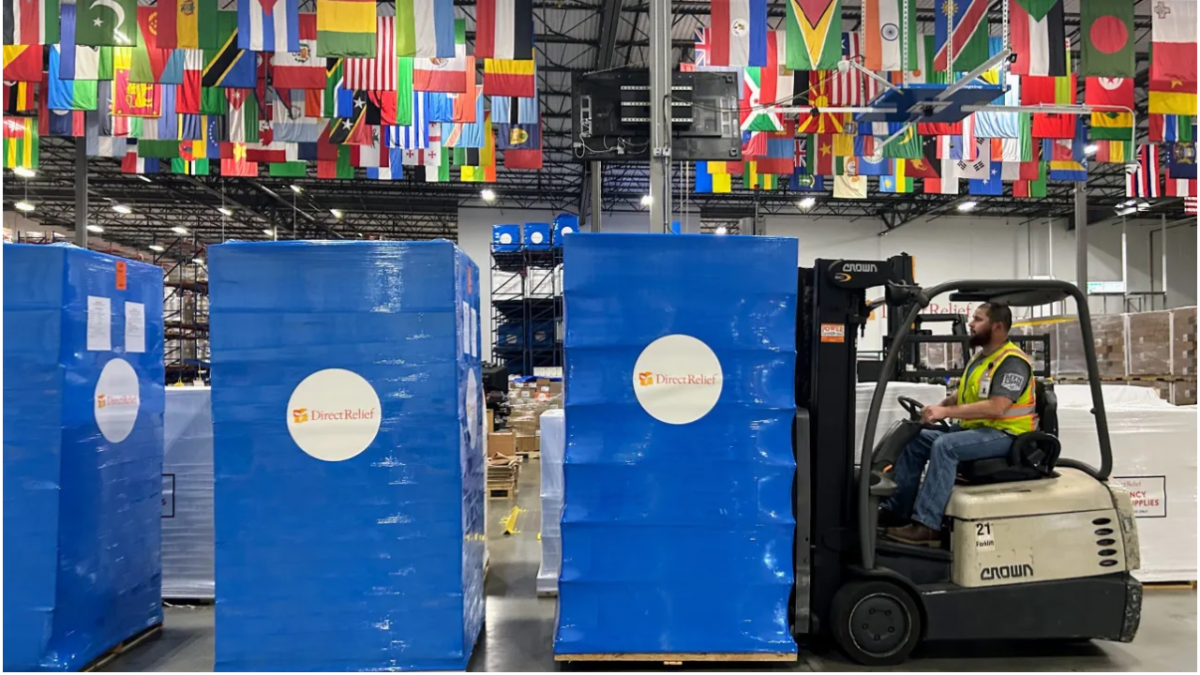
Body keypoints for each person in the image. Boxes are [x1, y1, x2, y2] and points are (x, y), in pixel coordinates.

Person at [882, 302, 1036, 546]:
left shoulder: (1012, 362)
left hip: (1007, 435)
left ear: (997, 327)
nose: (971, 324)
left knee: (946, 446)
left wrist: (946, 412)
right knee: (917, 439)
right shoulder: (982, 358)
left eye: (978, 319)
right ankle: (897, 511)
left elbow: (997, 407)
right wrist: (939, 407)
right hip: (979, 430)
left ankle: (927, 525)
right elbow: (964, 393)